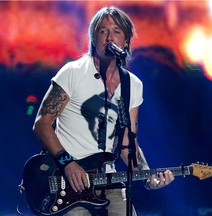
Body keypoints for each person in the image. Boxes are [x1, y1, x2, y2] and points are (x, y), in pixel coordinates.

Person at [33, 6, 174, 216]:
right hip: (68, 179)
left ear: (125, 42)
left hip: (108, 179)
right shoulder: (74, 72)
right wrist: (68, 164)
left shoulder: (132, 85)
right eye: (103, 31)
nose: (109, 37)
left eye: (117, 31)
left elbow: (128, 142)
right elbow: (41, 124)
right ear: (93, 38)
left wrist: (146, 177)